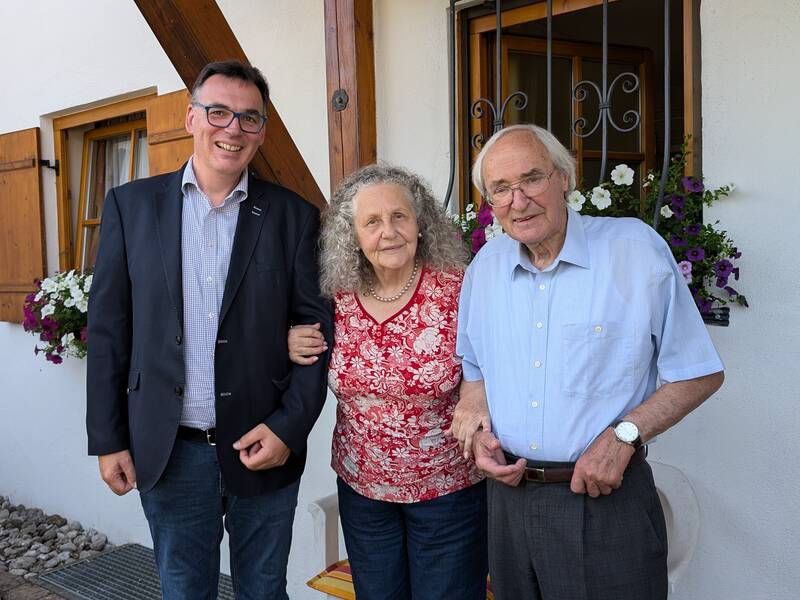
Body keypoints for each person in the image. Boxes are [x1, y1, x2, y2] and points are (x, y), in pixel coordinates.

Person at [86, 59, 332, 599]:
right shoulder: (131, 207)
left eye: (248, 118)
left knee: (264, 591)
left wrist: (289, 430)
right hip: (170, 451)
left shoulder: (294, 217)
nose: (232, 129)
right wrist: (108, 440)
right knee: (183, 591)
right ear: (190, 117)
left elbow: (317, 337)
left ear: (262, 132)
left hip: (262, 446)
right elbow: (107, 332)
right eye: (218, 112)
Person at [450, 124, 725, 600]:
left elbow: (699, 371)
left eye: (531, 179)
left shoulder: (633, 252)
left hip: (602, 501)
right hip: (508, 502)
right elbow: (473, 365)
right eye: (501, 188)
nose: (518, 200)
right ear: (489, 201)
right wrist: (476, 418)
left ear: (563, 179)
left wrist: (625, 435)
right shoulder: (485, 268)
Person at [288, 165, 487, 600]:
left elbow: (496, 364)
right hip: (362, 492)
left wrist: (481, 396)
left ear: (421, 223)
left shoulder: (459, 290)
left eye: (400, 216)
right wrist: (286, 339)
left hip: (446, 491)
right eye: (372, 222)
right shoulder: (334, 297)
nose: (389, 232)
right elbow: (283, 335)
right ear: (353, 236)